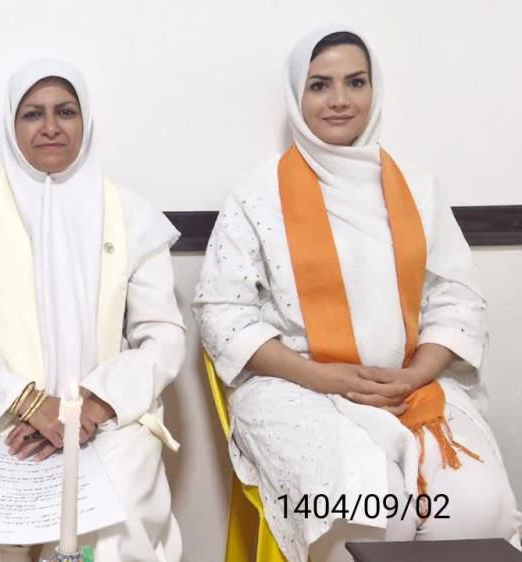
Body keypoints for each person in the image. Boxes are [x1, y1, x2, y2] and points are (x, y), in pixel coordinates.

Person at [192, 25, 521, 562]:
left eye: (355, 82)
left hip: (408, 384)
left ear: (375, 89)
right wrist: (327, 377)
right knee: (371, 508)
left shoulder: (417, 186)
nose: (340, 100)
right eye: (320, 85)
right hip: (297, 386)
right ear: (296, 95)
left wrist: (413, 375)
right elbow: (223, 315)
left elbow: (457, 299)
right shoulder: (257, 193)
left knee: (477, 510)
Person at [0, 59, 185, 561]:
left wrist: (94, 405)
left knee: (114, 525)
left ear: (85, 120)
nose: (50, 127)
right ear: (11, 124)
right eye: (32, 114)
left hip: (105, 421)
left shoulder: (132, 214)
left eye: (65, 112)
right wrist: (24, 402)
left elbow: (164, 335)